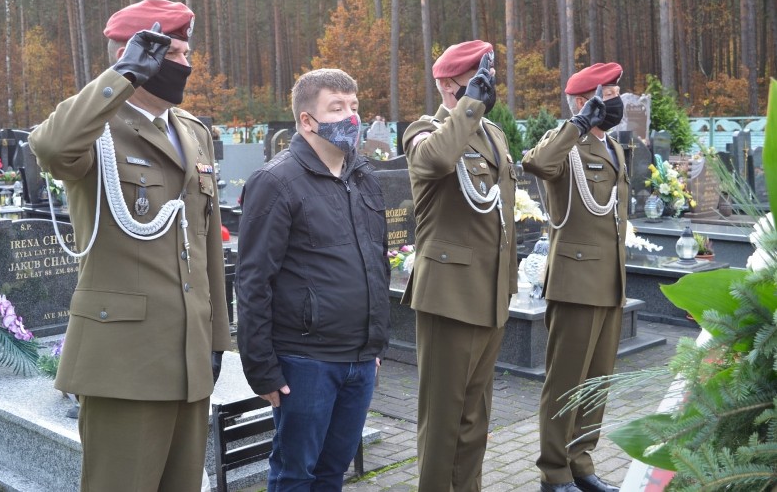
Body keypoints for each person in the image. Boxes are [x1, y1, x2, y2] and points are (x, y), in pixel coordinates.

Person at [29, 0, 231, 492]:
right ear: (139, 54)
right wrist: (121, 77)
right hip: (125, 361)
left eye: (187, 52)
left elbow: (206, 244)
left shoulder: (193, 132)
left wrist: (218, 338)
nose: (187, 64)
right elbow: (51, 148)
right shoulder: (96, 127)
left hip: (189, 355)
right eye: (176, 53)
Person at [235, 68, 390, 490]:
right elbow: (253, 282)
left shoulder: (363, 176)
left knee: (332, 470)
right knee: (294, 472)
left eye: (354, 106)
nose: (351, 117)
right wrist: (262, 368)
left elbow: (376, 262)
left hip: (359, 358)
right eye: (336, 108)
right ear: (307, 121)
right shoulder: (276, 182)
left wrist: (373, 342)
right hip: (305, 361)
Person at [401, 40, 517, 492]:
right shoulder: (422, 130)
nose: (488, 86)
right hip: (449, 297)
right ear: (449, 84)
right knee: (443, 419)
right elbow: (435, 161)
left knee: (475, 417)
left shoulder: (495, 135)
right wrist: (467, 106)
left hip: (490, 294)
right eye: (477, 77)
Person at [521, 62, 628, 492]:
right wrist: (577, 124)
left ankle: (581, 463)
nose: (618, 100)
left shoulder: (614, 149)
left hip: (609, 282)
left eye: (619, 92)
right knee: (566, 381)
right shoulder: (564, 144)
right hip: (575, 281)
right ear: (586, 101)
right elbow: (536, 163)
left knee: (596, 382)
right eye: (611, 93)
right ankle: (554, 472)